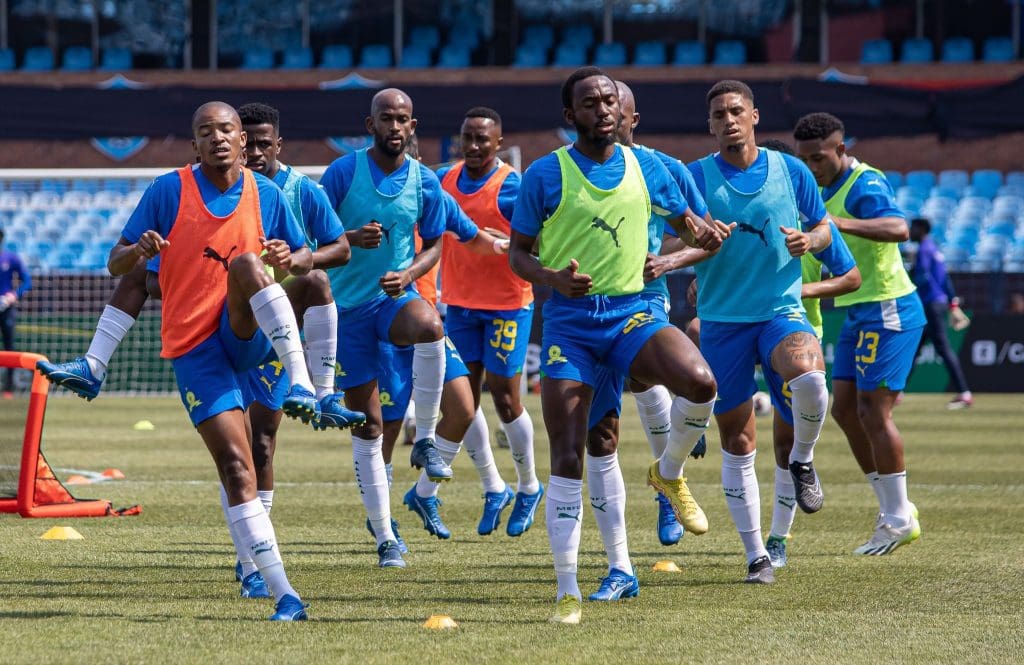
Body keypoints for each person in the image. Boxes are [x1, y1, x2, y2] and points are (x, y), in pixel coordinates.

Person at [509, 67, 728, 624]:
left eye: (609, 100)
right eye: (590, 103)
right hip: (570, 323)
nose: (603, 109)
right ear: (570, 116)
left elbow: (693, 227)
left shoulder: (650, 166)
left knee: (702, 384)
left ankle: (669, 472)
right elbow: (518, 255)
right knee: (579, 449)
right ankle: (575, 588)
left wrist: (698, 237)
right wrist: (552, 278)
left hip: (633, 311)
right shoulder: (544, 175)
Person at [107, 101, 311, 620]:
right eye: (206, 132)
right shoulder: (166, 190)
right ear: (193, 144)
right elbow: (116, 261)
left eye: (227, 130)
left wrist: (291, 258)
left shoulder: (267, 193)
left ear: (243, 141)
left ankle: (307, 381)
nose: (217, 138)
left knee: (247, 264)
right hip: (195, 346)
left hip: (247, 333)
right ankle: (281, 590)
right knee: (238, 466)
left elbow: (308, 257)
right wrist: (139, 252)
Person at [687, 81, 833, 585]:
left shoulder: (791, 171)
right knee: (738, 440)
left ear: (754, 115)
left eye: (736, 111)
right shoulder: (695, 177)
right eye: (718, 114)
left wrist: (808, 239)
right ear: (710, 125)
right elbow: (675, 234)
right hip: (723, 322)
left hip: (779, 311)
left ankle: (803, 459)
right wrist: (688, 252)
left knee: (810, 377)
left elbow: (824, 229)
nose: (728, 119)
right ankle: (757, 557)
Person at [319, 88, 452, 568]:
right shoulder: (341, 173)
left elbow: (437, 244)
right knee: (370, 426)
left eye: (403, 120)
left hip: (393, 299)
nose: (395, 127)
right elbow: (308, 234)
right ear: (369, 124)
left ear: (412, 127)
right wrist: (349, 238)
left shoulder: (425, 181)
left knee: (430, 326)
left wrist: (411, 274)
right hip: (345, 311)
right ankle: (384, 535)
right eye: (386, 119)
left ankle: (430, 440)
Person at [794, 111, 925, 556]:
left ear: (841, 150)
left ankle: (896, 518)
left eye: (819, 158)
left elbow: (899, 228)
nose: (812, 166)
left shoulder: (865, 184)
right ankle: (897, 508)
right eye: (805, 159)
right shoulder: (822, 189)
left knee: (873, 411)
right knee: (845, 409)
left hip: (888, 307)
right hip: (854, 311)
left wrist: (837, 224)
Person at [436, 106, 543, 537]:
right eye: (468, 138)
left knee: (504, 396)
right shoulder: (445, 180)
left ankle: (529, 486)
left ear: (499, 144)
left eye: (484, 139)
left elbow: (537, 241)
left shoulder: (512, 186)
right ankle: (492, 487)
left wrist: (509, 242)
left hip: (506, 304)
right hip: (459, 304)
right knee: (464, 398)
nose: (475, 146)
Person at [908, 217, 972, 409]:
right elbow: (945, 278)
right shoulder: (934, 249)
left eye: (913, 228)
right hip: (936, 304)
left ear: (921, 229)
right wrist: (952, 302)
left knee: (941, 348)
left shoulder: (924, 249)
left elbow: (923, 276)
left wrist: (911, 287)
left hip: (929, 305)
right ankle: (895, 391)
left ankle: (964, 393)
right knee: (913, 348)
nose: (910, 231)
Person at [0, 229, 31, 398]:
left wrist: (13, 295)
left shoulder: (10, 258)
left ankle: (8, 389)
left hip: (6, 308)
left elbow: (27, 281)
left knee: (9, 348)